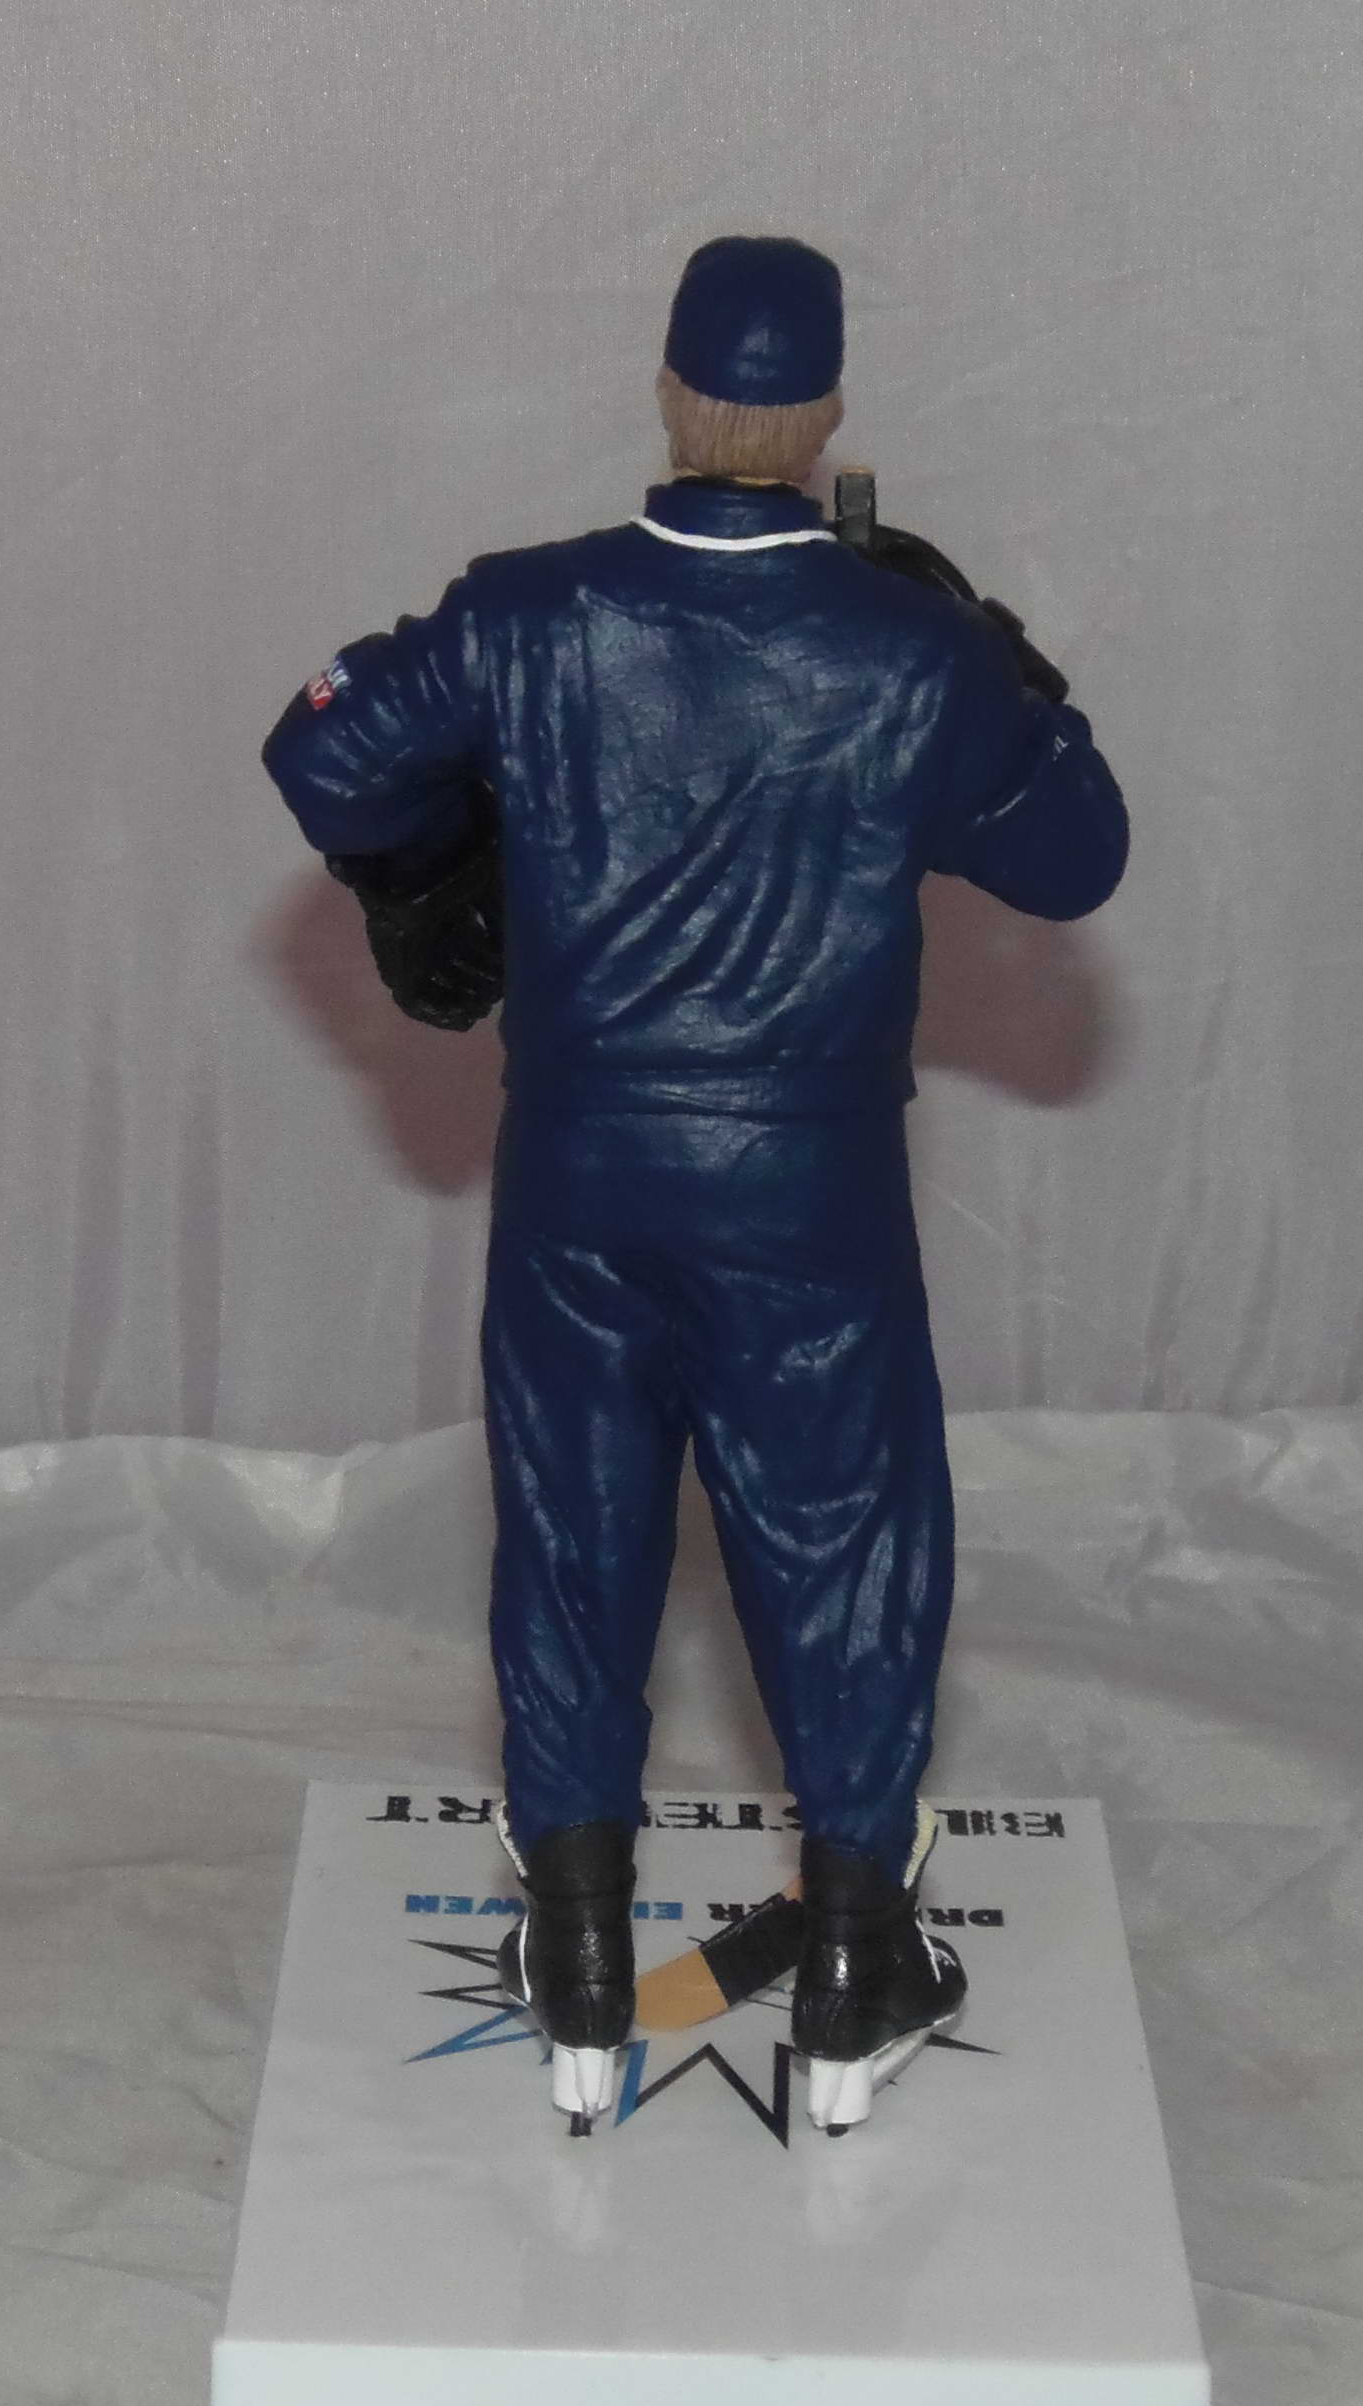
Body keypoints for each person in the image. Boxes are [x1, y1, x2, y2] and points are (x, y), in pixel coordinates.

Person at [263, 236, 1128, 2135]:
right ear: (826, 418)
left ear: (667, 394)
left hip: (580, 1169)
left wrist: (446, 852)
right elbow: (1075, 858)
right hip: (805, 1191)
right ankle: (855, 1966)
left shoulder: (526, 612)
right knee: (844, 1549)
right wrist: (990, 655)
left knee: (572, 1536)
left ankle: (577, 1955)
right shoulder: (906, 649)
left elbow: (320, 751)